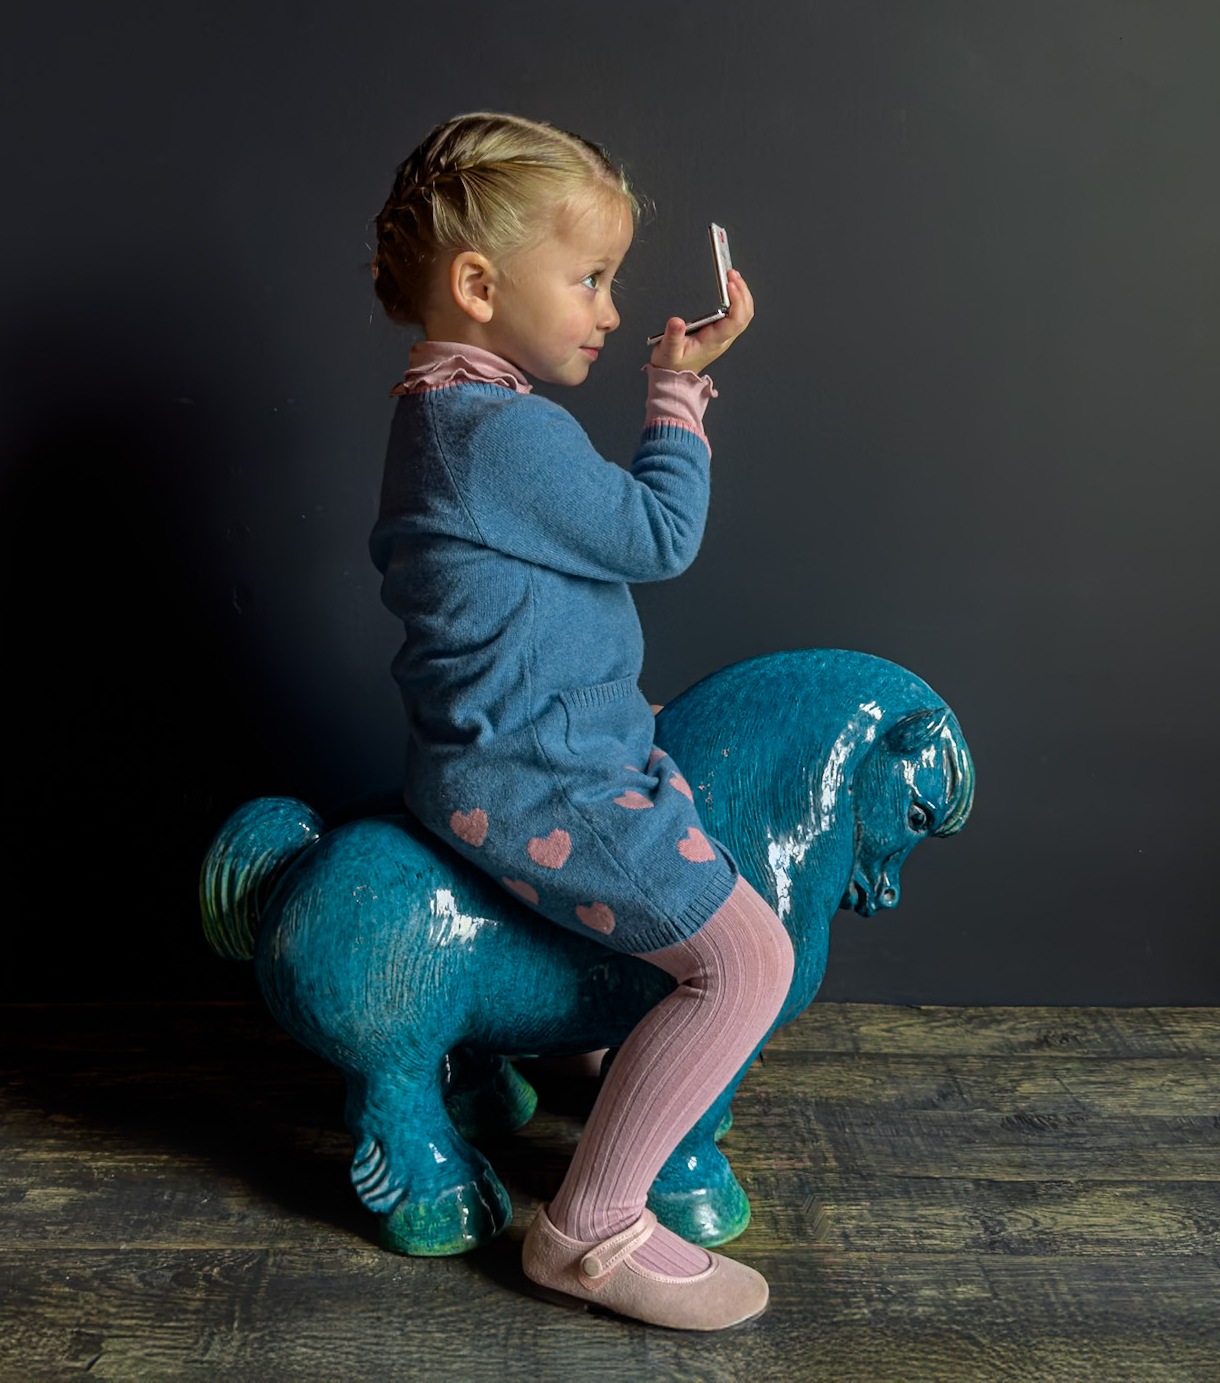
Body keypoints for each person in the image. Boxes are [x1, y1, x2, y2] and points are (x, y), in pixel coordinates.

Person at [366, 111, 791, 1331]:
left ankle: (585, 1055)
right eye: (589, 279)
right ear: (478, 286)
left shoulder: (444, 412)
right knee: (749, 960)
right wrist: (676, 394)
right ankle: (589, 1226)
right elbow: (659, 536)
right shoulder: (499, 431)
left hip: (525, 742)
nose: (608, 310)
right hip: (537, 771)